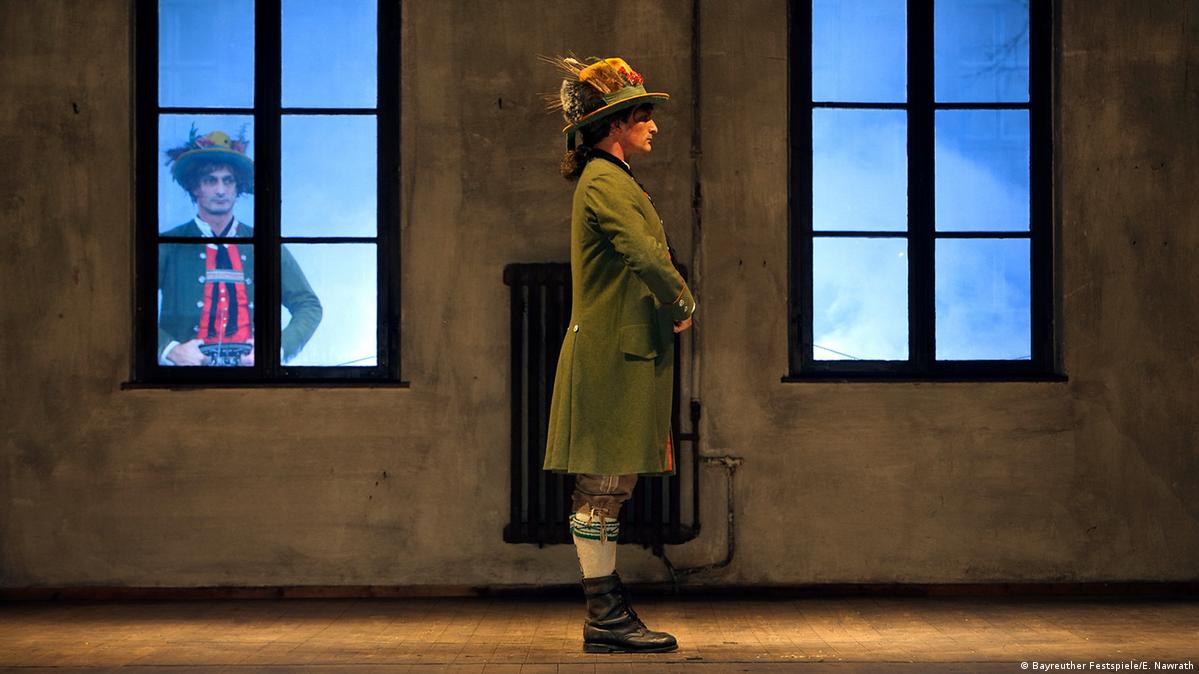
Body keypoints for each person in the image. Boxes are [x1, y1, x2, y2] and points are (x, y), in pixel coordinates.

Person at [543, 56, 696, 653]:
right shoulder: (605, 181)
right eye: (642, 115)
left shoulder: (613, 178)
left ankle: (606, 613)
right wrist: (681, 299)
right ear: (615, 125)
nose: (653, 125)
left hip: (622, 348)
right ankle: (604, 615)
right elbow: (643, 252)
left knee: (610, 484)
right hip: (611, 352)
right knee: (603, 485)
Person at [159, 126, 322, 366]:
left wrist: (276, 348)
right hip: (182, 379)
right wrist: (170, 349)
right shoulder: (168, 244)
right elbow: (128, 305)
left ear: (238, 188)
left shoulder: (265, 245)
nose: (221, 191)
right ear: (195, 187)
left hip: (254, 377)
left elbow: (308, 305)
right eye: (210, 181)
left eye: (228, 181)